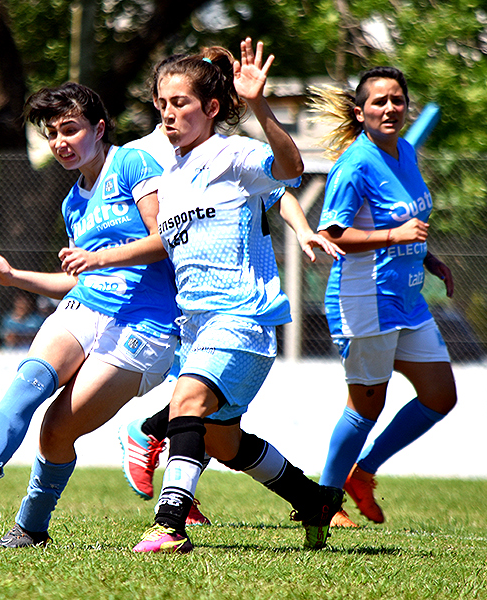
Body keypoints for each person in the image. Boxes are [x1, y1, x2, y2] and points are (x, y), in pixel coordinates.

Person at [60, 39, 344, 553]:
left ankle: (169, 525)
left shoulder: (234, 154)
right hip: (195, 327)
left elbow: (290, 170)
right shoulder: (168, 175)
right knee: (223, 442)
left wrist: (259, 104)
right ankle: (314, 499)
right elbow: (157, 245)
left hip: (242, 319)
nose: (169, 114)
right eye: (162, 104)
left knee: (186, 402)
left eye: (181, 103)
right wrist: (101, 257)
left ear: (211, 108)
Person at [0, 82, 180, 548]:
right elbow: (82, 279)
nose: (60, 141)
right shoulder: (72, 202)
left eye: (70, 128)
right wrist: (13, 276)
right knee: (30, 382)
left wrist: (102, 259)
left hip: (146, 324)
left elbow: (167, 239)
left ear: (99, 128)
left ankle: (30, 526)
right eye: (51, 133)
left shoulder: (131, 164)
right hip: (89, 306)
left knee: (56, 430)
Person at [310, 67, 457, 527]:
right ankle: (325, 503)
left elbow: (410, 218)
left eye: (397, 100)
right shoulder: (355, 164)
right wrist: (395, 236)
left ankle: (363, 472)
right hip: (365, 299)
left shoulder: (406, 151)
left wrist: (428, 258)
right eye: (379, 102)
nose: (390, 108)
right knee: (365, 406)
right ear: (361, 112)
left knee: (440, 396)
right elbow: (331, 234)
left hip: (409, 298)